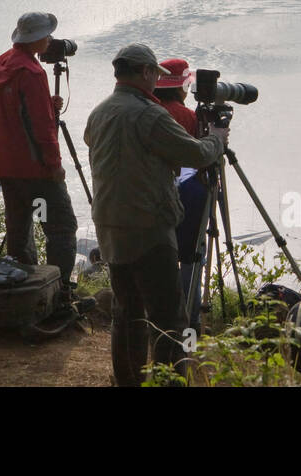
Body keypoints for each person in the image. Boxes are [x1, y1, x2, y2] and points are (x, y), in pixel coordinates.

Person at [84, 43, 228, 386]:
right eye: (155, 75)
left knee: (127, 312)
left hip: (109, 224)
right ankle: (170, 382)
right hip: (147, 226)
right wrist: (217, 140)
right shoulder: (149, 115)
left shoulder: (100, 111)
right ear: (146, 72)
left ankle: (129, 381)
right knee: (168, 319)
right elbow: (193, 153)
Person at [0, 11, 78, 294]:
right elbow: (41, 128)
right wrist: (54, 164)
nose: (50, 40)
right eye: (47, 35)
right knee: (62, 228)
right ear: (37, 39)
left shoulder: (2, 63)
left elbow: (16, 112)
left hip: (6, 164)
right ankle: (59, 290)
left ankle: (22, 289)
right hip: (35, 168)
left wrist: (46, 103)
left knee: (19, 230)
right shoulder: (32, 72)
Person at [152, 58, 208, 332]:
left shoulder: (149, 109)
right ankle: (191, 322)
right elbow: (198, 156)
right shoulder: (186, 116)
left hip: (152, 193)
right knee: (191, 257)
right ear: (180, 86)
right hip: (187, 192)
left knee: (159, 254)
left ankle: (159, 318)